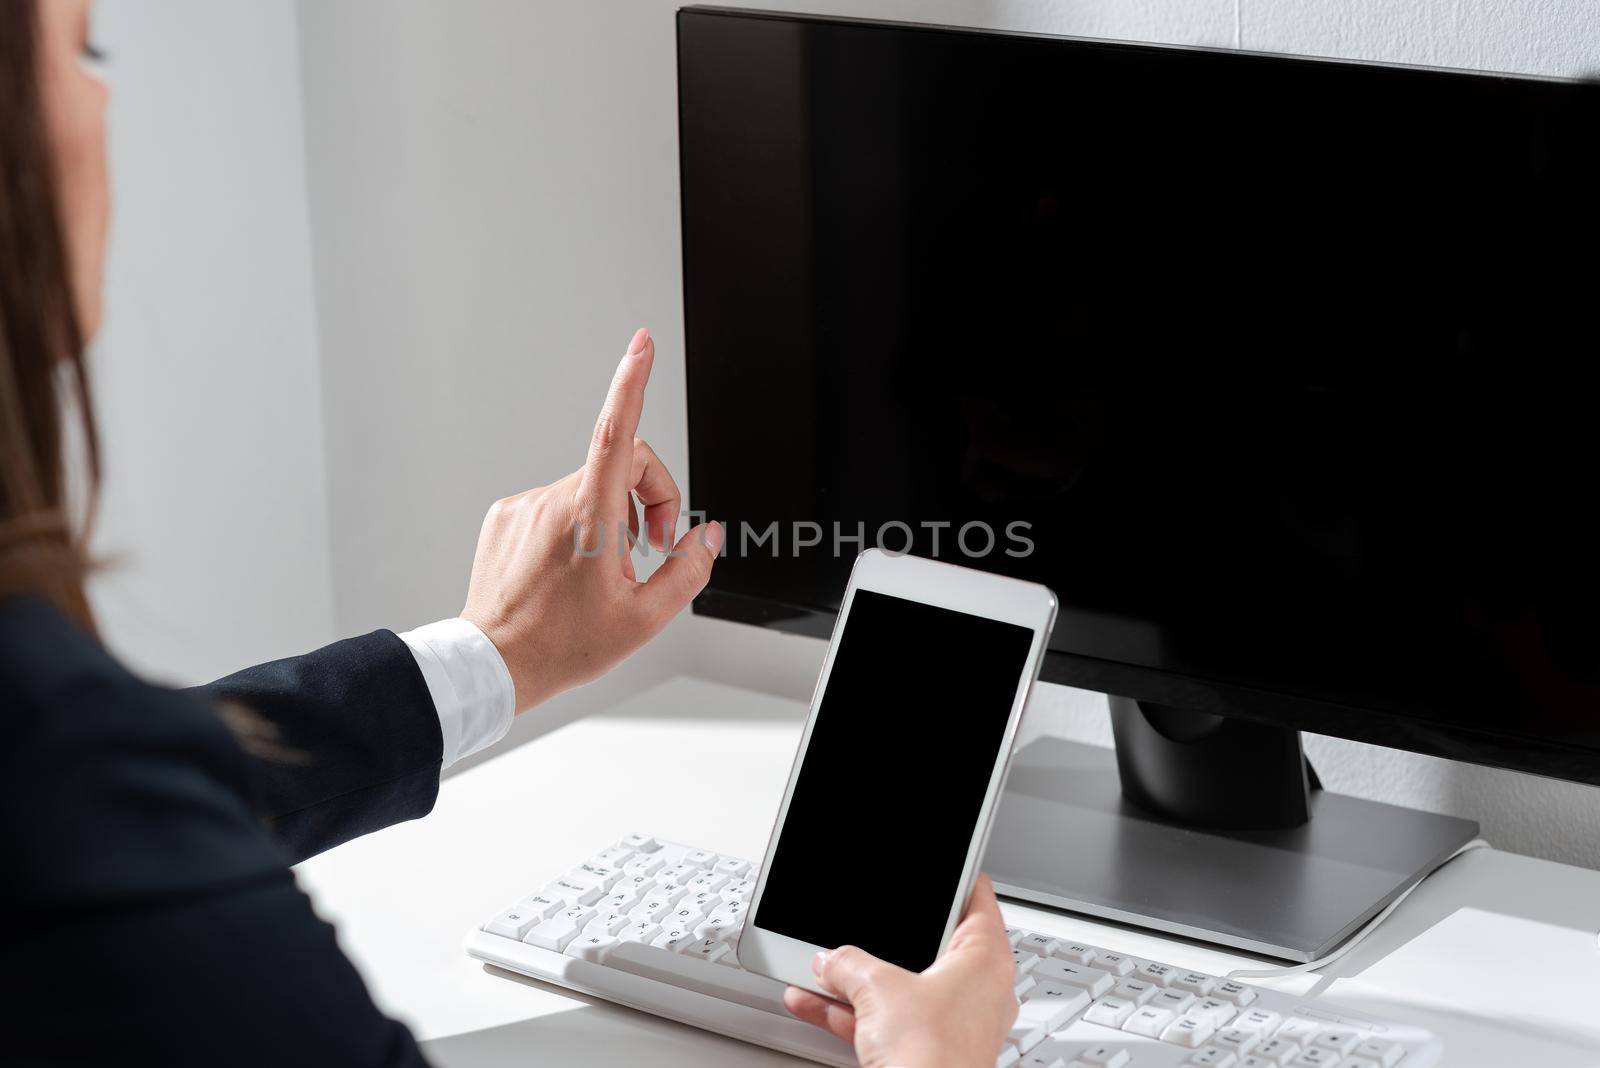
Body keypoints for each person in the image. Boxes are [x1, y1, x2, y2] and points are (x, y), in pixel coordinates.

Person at [0, 1, 1018, 1064]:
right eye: (84, 51)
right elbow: (109, 818)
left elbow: (160, 797)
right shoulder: (57, 785)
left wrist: (493, 654)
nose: (106, 99)